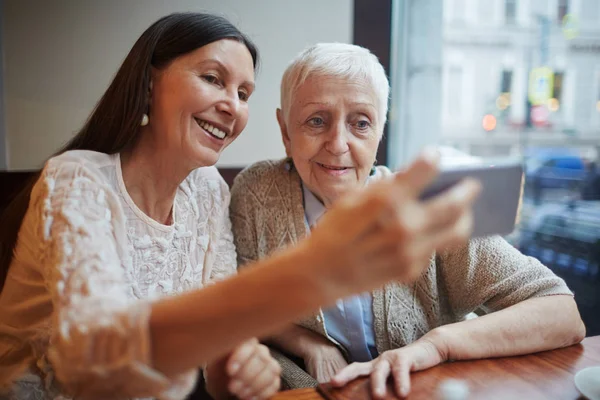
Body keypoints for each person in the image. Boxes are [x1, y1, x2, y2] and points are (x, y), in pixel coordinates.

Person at [0, 14, 481, 400]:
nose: (232, 104)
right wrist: (316, 270)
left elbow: (215, 353)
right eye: (213, 79)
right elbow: (96, 365)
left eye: (244, 93)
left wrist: (231, 374)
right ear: (149, 86)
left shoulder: (208, 190)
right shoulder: (77, 179)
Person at [230, 43, 587, 399]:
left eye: (361, 123)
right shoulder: (258, 193)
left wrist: (437, 345)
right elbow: (241, 301)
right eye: (316, 121)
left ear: (380, 131)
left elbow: (561, 312)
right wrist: (309, 344)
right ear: (285, 131)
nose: (338, 143)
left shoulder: (426, 205)